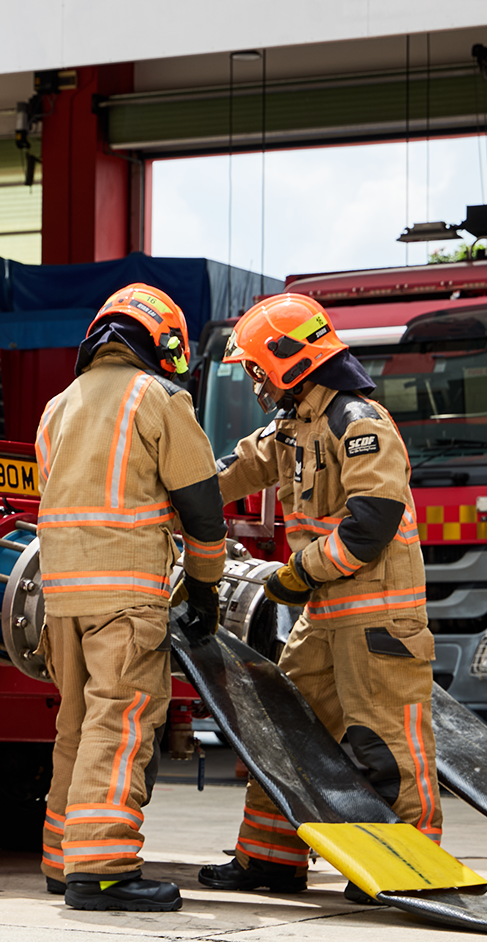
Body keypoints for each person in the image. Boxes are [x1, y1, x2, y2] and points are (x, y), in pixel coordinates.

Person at [198, 293, 438, 903]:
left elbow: (371, 524)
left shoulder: (359, 424)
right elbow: (234, 469)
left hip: (377, 616)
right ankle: (271, 858)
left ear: (286, 359)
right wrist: (179, 496)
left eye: (256, 366)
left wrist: (294, 575)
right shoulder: (296, 423)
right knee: (284, 731)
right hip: (324, 615)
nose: (253, 380)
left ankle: (409, 867)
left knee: (386, 744)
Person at [34, 284, 227, 912]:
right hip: (127, 598)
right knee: (118, 726)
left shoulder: (58, 406)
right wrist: (203, 587)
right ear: (164, 344)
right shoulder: (161, 398)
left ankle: (64, 859)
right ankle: (104, 869)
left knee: (78, 725)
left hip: (61, 598)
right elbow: (200, 508)